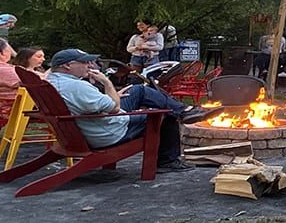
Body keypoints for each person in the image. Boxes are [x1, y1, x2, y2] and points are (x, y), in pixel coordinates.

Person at [46, 48, 221, 171]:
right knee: (166, 115)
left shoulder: (53, 81)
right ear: (68, 65)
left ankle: (185, 110)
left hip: (92, 124)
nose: (90, 66)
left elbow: (102, 104)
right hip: (110, 131)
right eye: (84, 62)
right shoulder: (77, 87)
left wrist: (113, 95)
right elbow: (114, 108)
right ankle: (167, 161)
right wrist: (107, 83)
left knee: (137, 90)